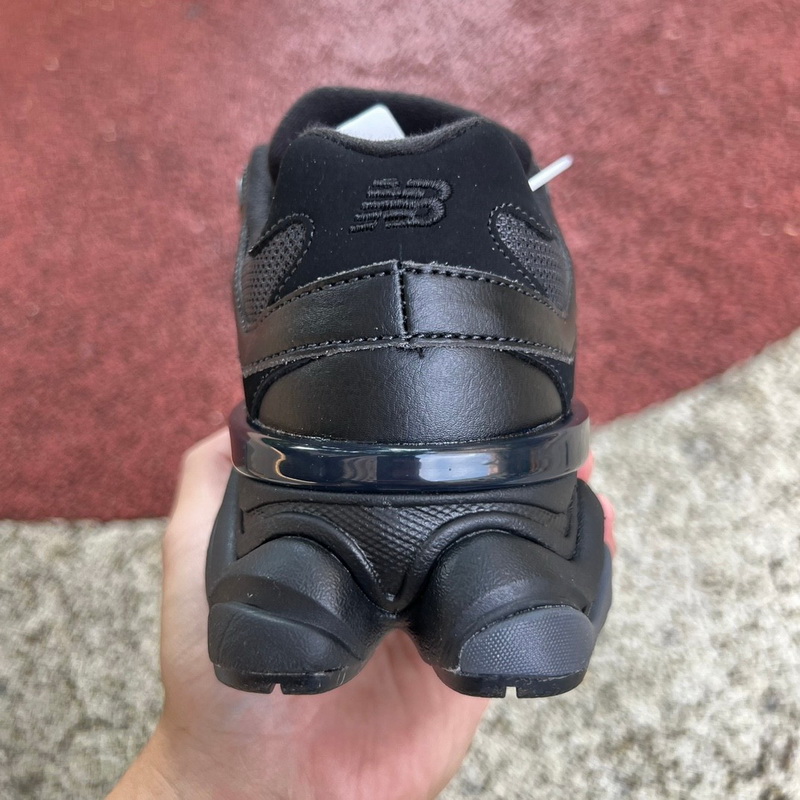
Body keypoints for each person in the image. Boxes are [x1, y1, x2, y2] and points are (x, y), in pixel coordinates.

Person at [109, 430, 614, 799]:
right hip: (512, 487)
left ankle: (298, 552)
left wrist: (204, 777)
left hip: (300, 492)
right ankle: (504, 550)